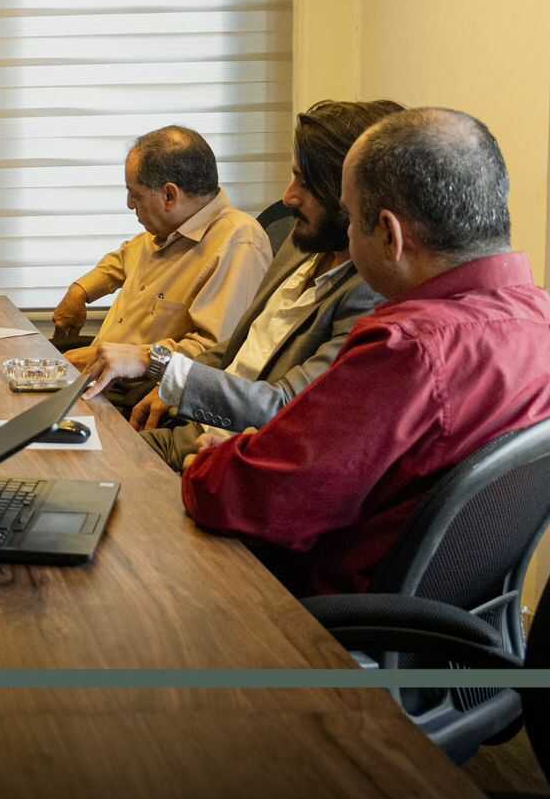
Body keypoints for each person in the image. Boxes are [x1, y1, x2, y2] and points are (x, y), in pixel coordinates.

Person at [180, 108, 550, 596]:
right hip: (449, 614)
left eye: (352, 220)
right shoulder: (539, 320)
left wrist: (213, 461)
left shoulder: (407, 348)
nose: (348, 234)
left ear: (390, 236)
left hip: (313, 612)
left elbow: (255, 500)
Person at [83, 100, 402, 469]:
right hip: (185, 426)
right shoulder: (301, 246)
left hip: (221, 451)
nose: (288, 197)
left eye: (306, 182)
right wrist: (170, 383)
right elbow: (239, 344)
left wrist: (160, 365)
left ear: (349, 194)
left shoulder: (370, 294)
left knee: (80, 471)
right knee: (59, 458)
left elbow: (286, 405)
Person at [51, 127, 273, 406]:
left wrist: (118, 357)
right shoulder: (169, 229)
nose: (129, 204)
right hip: (102, 377)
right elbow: (120, 261)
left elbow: (212, 353)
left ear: (169, 195)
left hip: (134, 395)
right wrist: (79, 292)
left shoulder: (238, 242)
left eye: (135, 195)